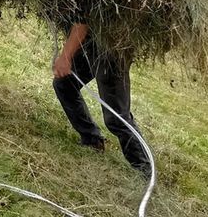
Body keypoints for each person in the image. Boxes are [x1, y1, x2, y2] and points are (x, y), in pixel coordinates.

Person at [52, 23, 151, 174]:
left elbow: (83, 22)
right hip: (92, 42)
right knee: (64, 84)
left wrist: (66, 56)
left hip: (110, 50)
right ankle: (92, 140)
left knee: (117, 118)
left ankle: (144, 169)